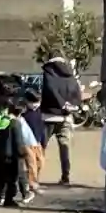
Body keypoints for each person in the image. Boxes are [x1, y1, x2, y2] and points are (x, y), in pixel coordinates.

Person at [39, 54, 85, 187]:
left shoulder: (48, 72)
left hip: (48, 116)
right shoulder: (70, 74)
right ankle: (66, 176)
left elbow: (50, 90)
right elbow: (77, 93)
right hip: (66, 117)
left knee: (40, 147)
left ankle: (34, 175)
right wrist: (71, 105)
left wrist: (61, 103)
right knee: (65, 148)